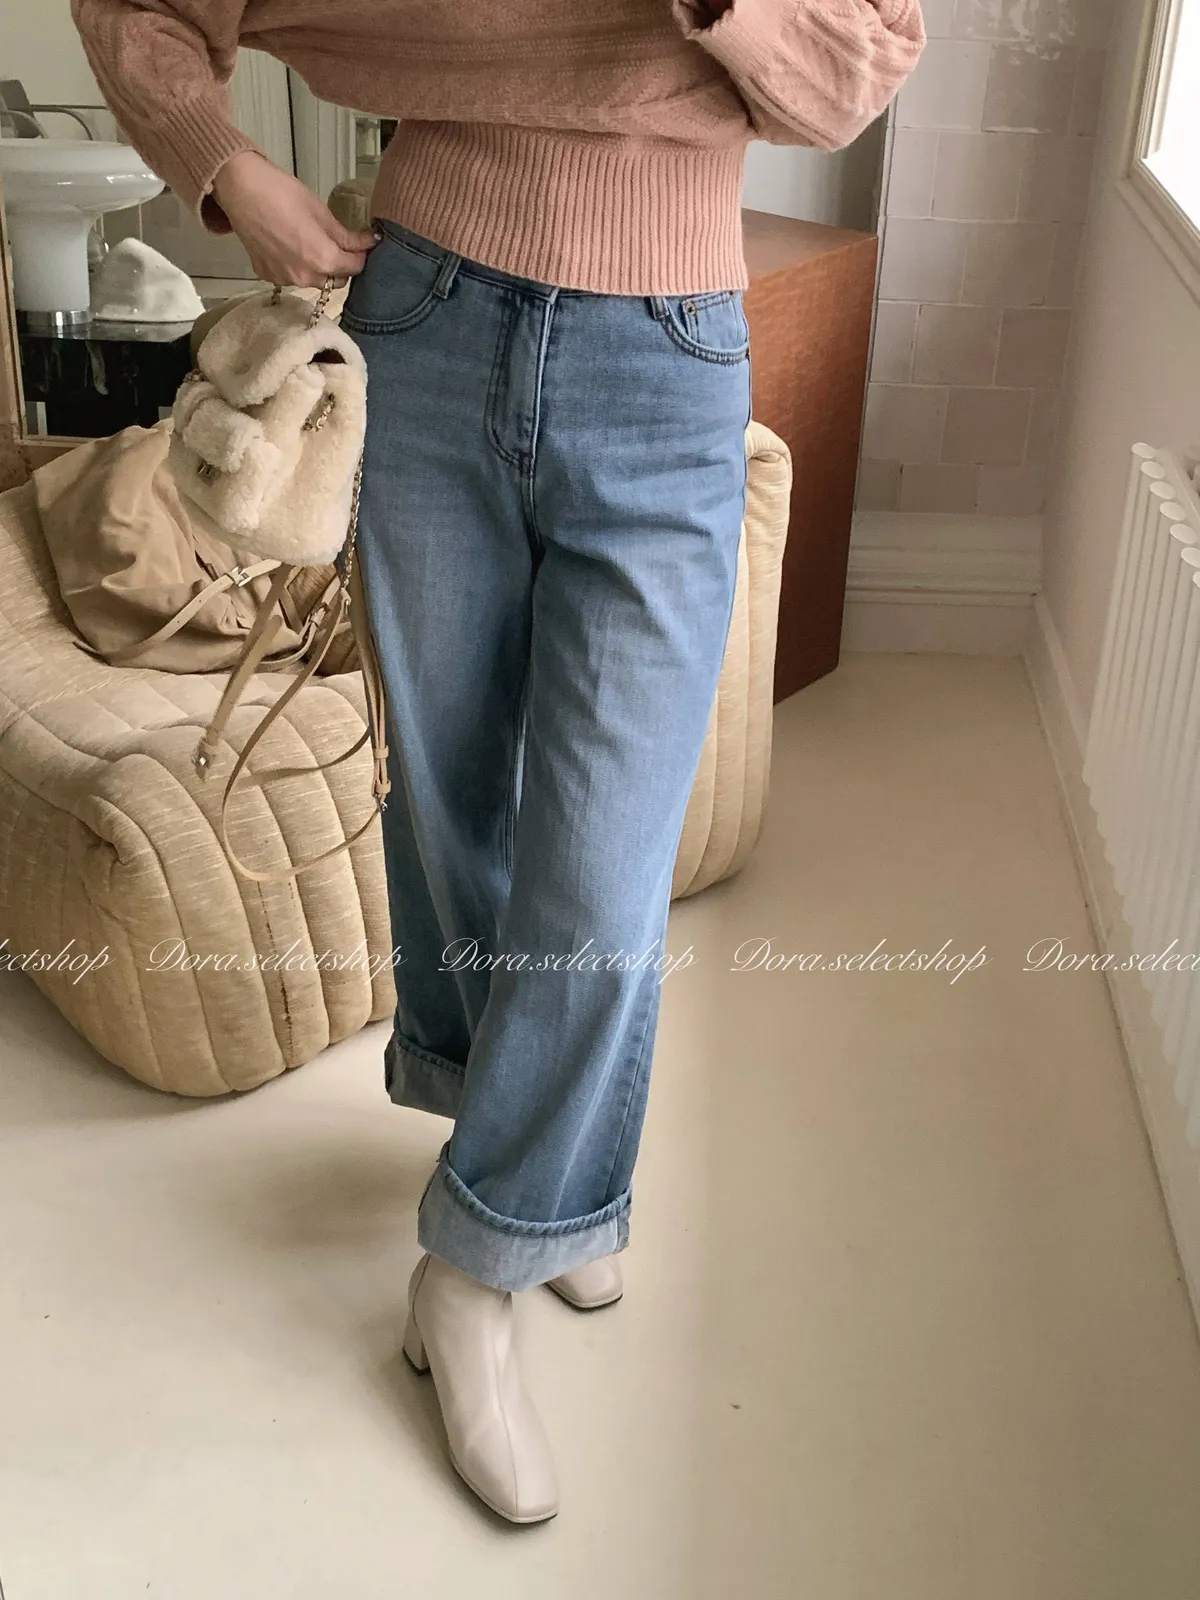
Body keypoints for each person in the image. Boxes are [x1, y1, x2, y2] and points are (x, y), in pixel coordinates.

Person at [72, 0, 925, 1524]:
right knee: (452, 802)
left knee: (600, 864)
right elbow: (142, 12)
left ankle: (471, 1270)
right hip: (430, 315)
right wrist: (229, 173)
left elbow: (853, 70)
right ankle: (547, 1181)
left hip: (668, 357)